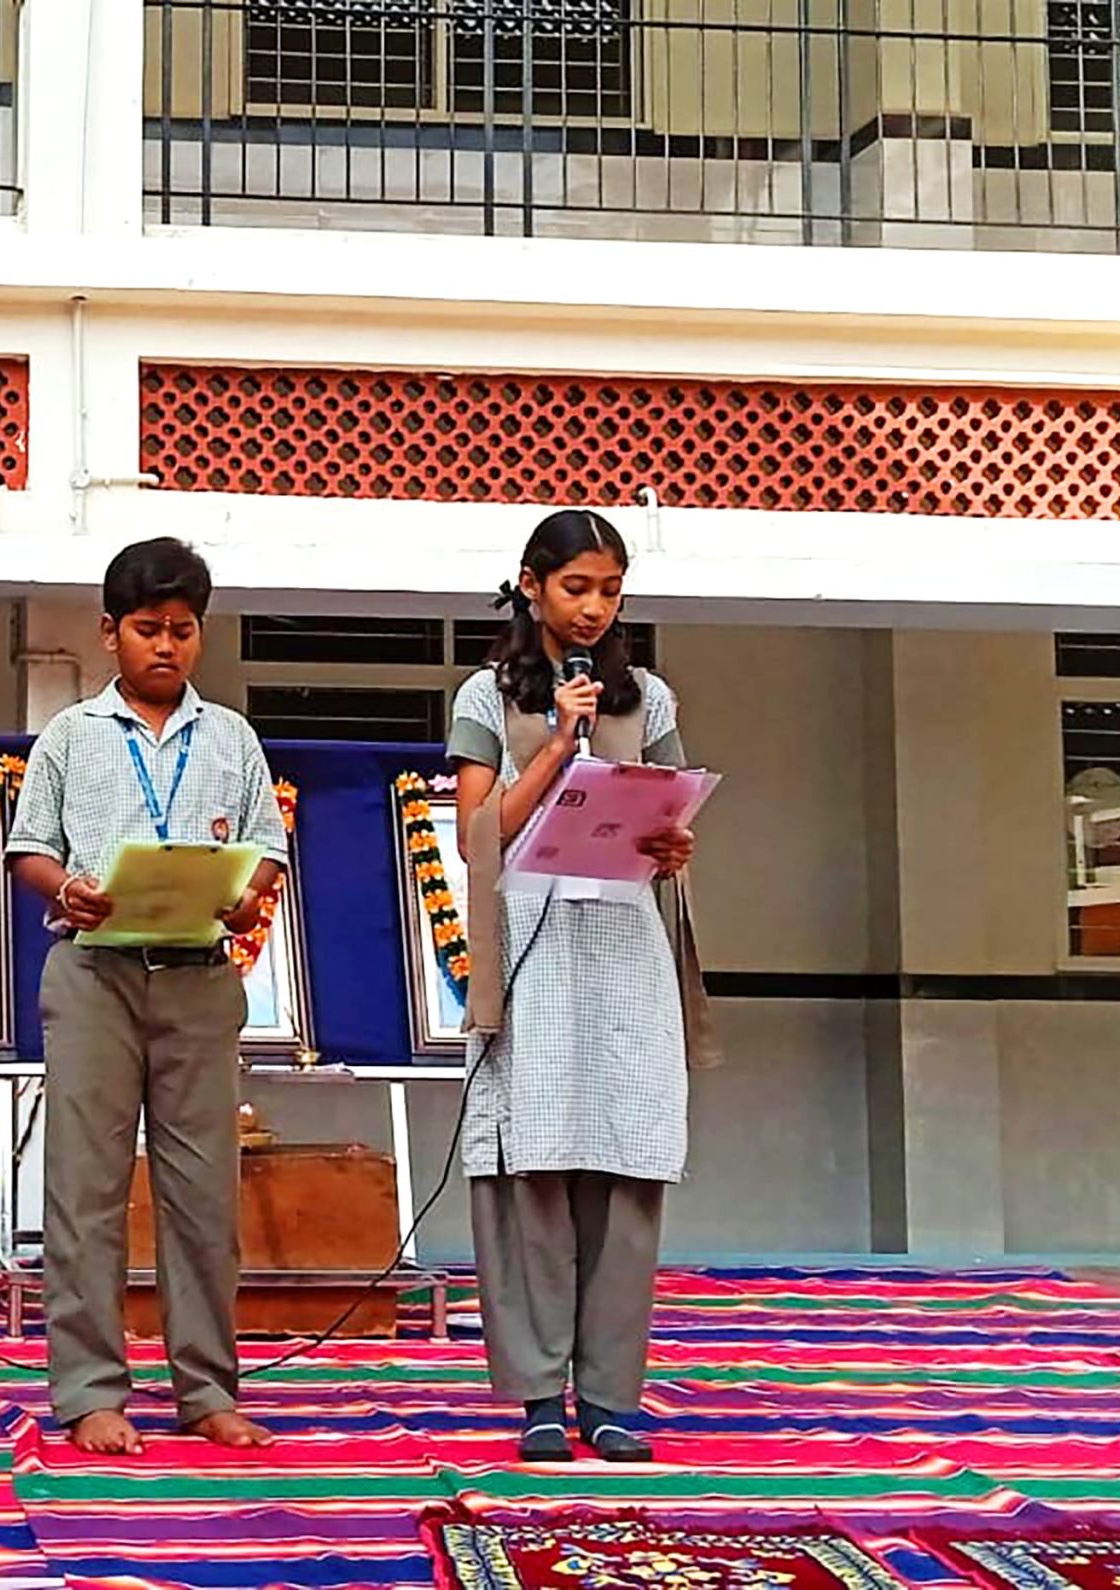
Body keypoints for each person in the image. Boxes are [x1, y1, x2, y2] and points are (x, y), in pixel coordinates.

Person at [6, 536, 289, 1456]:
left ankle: (207, 1388)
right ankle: (89, 1390)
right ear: (107, 633)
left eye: (182, 631)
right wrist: (65, 889)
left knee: (202, 1192)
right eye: (145, 630)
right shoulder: (69, 737)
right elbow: (29, 849)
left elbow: (267, 852)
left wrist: (254, 892)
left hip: (201, 981)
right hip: (93, 975)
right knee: (85, 1190)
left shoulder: (232, 737)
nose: (165, 647)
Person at [451, 508, 700, 1465]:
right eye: (575, 588)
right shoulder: (485, 695)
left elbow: (671, 818)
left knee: (627, 1174)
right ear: (531, 584)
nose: (592, 608)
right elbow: (483, 833)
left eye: (609, 590)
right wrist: (558, 742)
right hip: (533, 959)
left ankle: (609, 1398)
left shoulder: (653, 698)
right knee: (534, 1177)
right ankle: (538, 1400)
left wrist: (676, 844)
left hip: (624, 954)